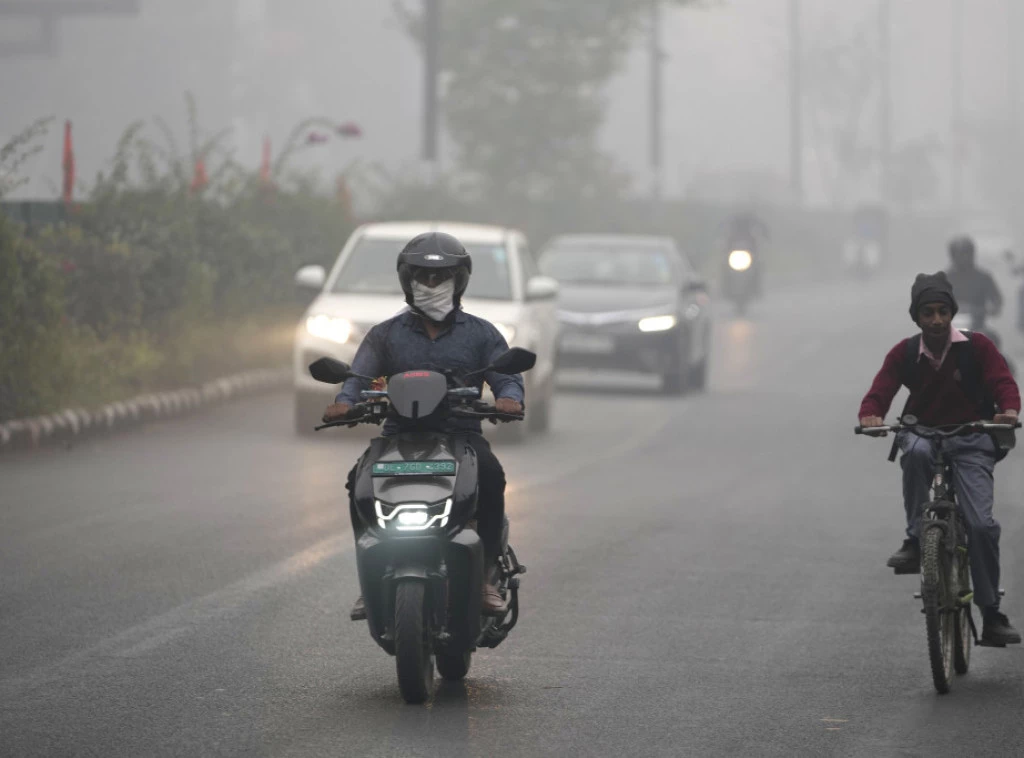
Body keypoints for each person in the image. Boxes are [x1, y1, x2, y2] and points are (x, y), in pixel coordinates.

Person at [322, 231, 524, 618]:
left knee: (493, 476)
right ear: (407, 279)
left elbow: (507, 376)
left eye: (441, 277)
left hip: (461, 436)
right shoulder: (385, 335)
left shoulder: (483, 333)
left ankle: (484, 576)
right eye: (423, 277)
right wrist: (344, 404)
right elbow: (358, 378)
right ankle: (372, 576)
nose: (432, 285)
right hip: (399, 436)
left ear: (459, 280)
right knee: (357, 483)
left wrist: (509, 398)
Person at [858, 271, 1021, 645]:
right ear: (916, 317)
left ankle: (990, 612)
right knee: (912, 451)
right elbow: (879, 392)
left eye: (942, 312)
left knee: (981, 527)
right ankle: (916, 540)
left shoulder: (977, 346)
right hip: (924, 433)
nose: (936, 320)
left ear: (952, 314)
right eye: (928, 313)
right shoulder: (904, 352)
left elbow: (1004, 384)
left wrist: (1009, 410)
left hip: (972, 437)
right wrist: (870, 414)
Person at [946, 235, 1003, 326]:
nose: (963, 258)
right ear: (953, 256)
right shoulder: (944, 279)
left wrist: (994, 308)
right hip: (948, 327)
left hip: (978, 326)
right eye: (960, 255)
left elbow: (996, 299)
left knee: (993, 337)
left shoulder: (984, 277)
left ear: (972, 254)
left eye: (966, 254)